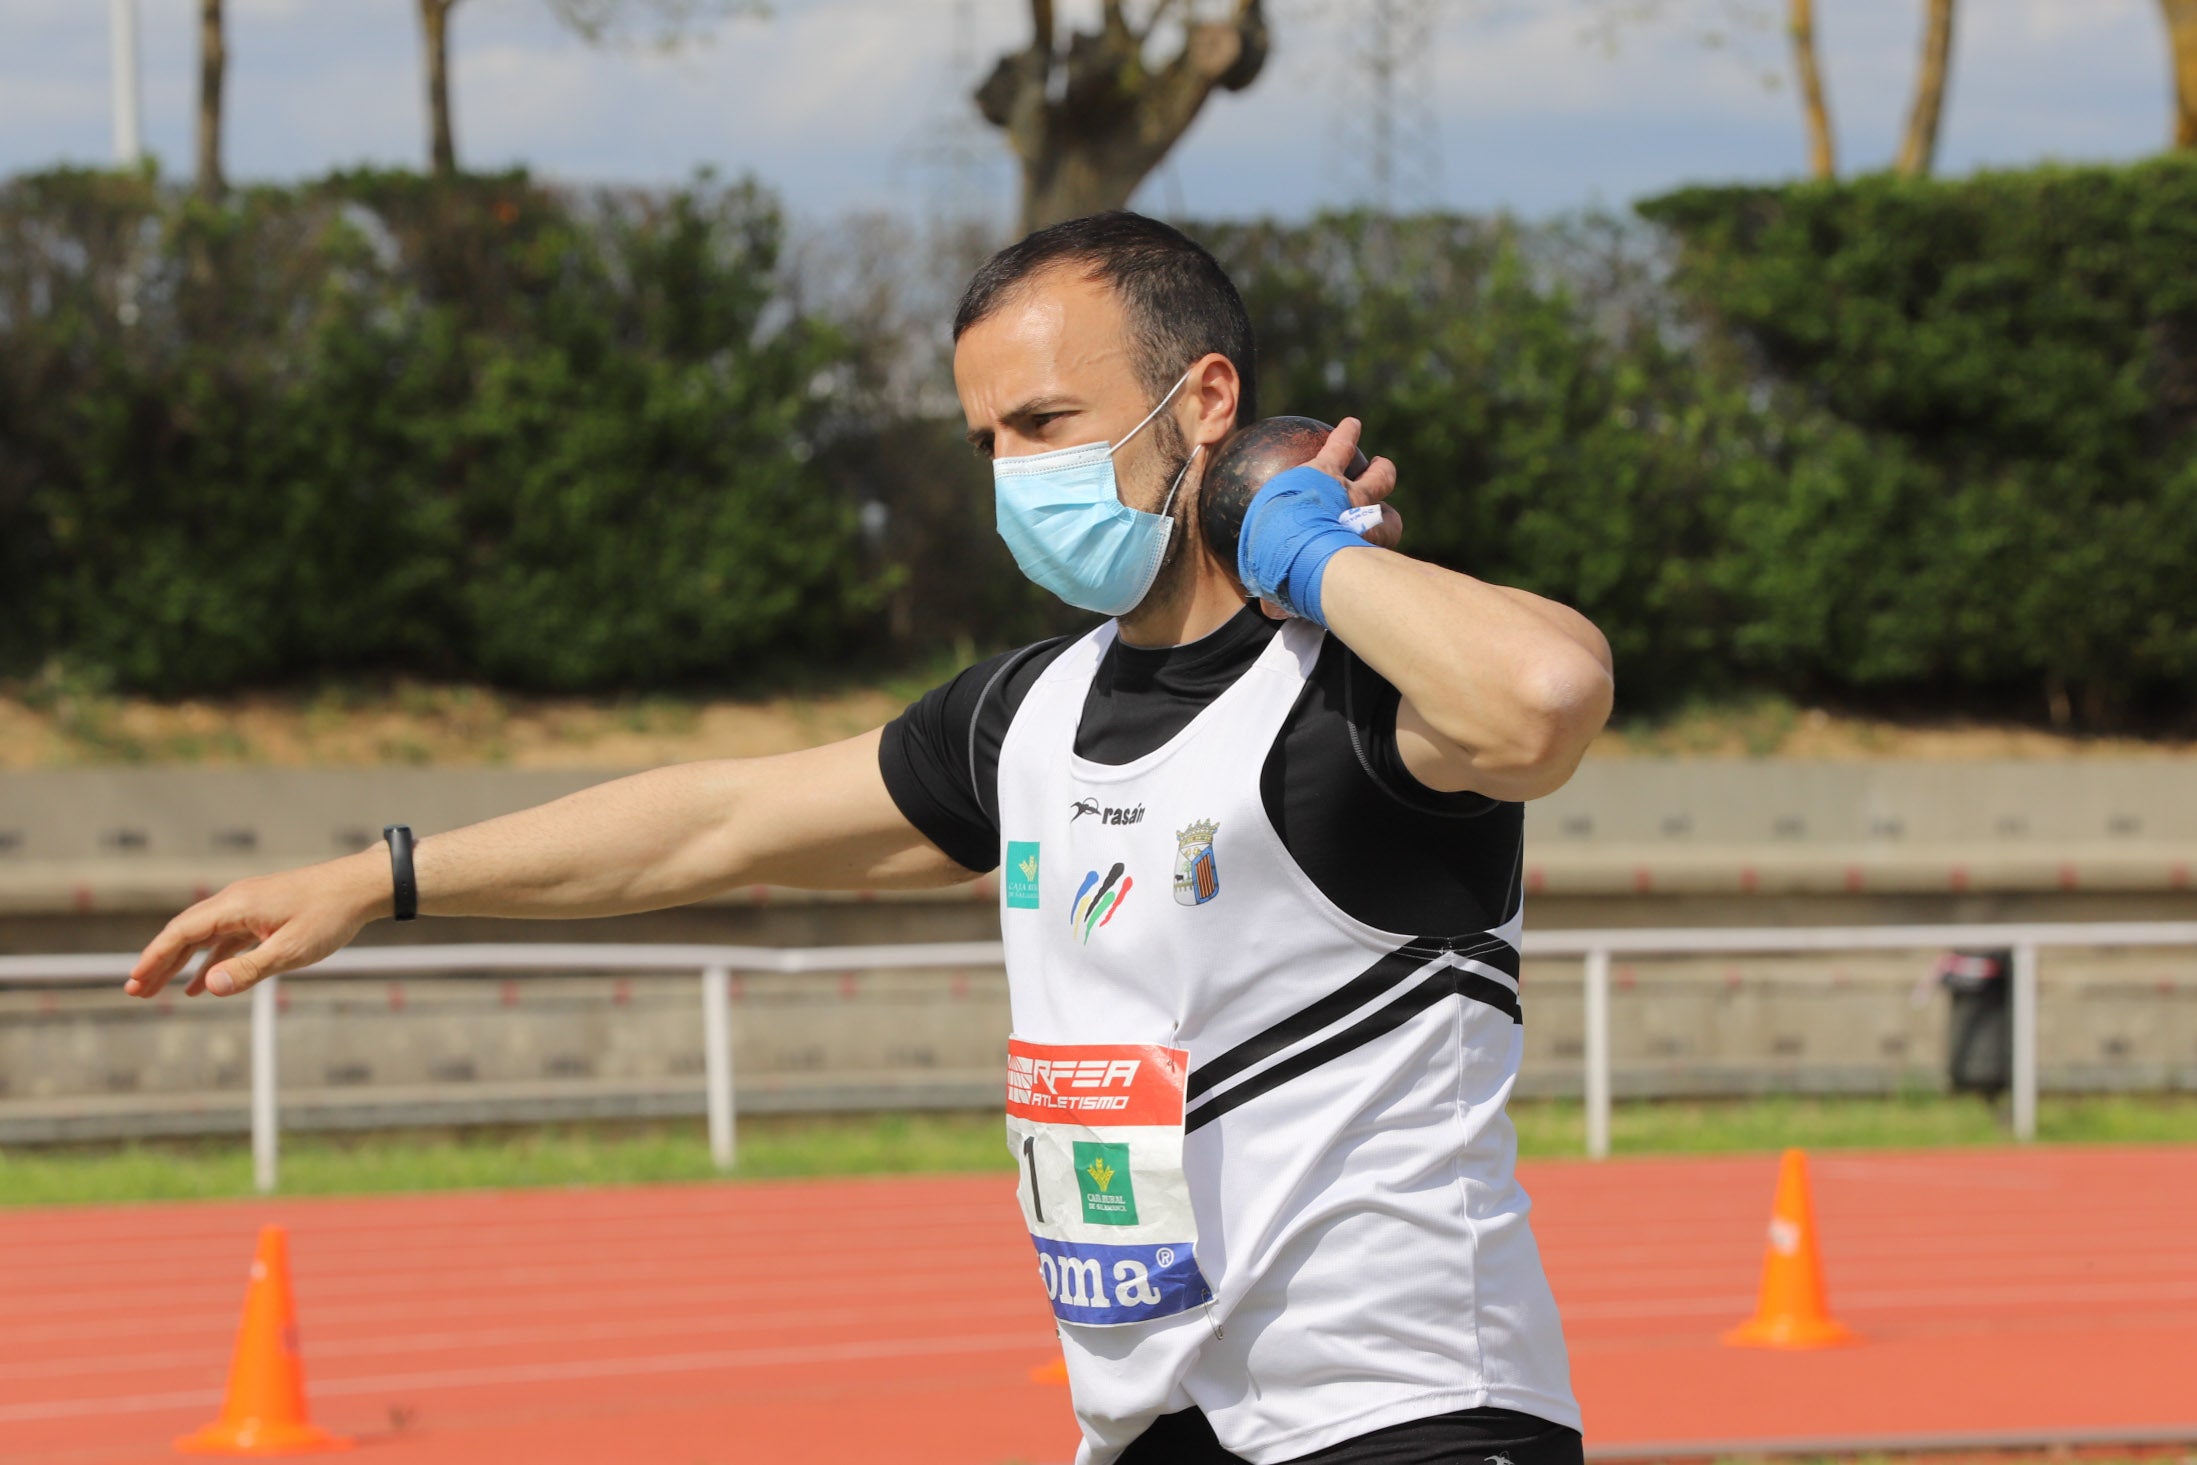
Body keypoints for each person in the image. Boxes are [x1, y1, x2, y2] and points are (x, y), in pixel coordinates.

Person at [124, 211, 1614, 1465]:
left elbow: (1545, 695)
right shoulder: (1025, 714)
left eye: (1044, 422)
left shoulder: (1351, 695)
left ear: (1204, 402)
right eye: (983, 439)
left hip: (1406, 1412)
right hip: (1155, 1422)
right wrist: (377, 879)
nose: (1011, 472)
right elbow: (710, 822)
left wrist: (1297, 538)